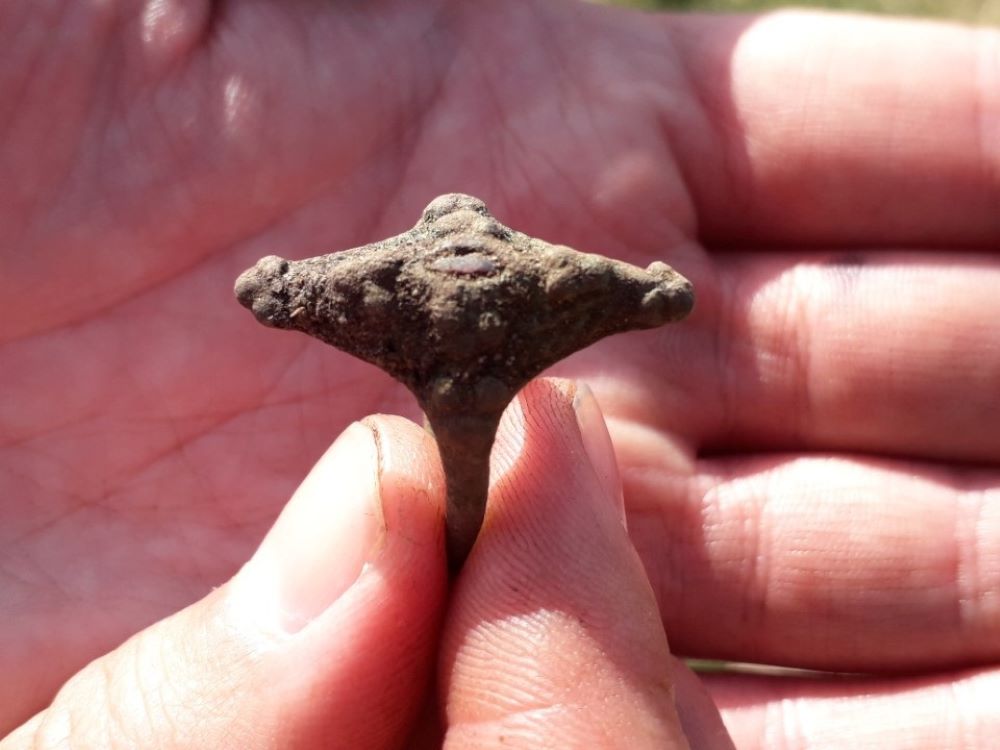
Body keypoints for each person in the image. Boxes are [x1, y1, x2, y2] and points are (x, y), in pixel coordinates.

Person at [1, 1, 997, 747]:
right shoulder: (512, 275)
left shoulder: (394, 275)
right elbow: (623, 290)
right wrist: (650, 293)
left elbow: (290, 287)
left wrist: (275, 288)